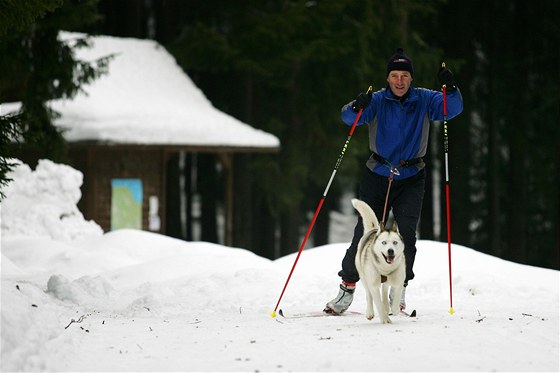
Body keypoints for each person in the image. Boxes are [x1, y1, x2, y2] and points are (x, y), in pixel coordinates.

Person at [324, 47, 463, 314]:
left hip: (412, 177)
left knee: (406, 236)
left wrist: (451, 87)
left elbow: (452, 109)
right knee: (365, 235)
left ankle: (398, 292)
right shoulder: (376, 100)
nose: (400, 81)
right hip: (378, 174)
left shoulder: (424, 99)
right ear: (388, 78)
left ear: (411, 78)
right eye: (395, 75)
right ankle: (347, 287)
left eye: (404, 76)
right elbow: (348, 118)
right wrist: (357, 105)